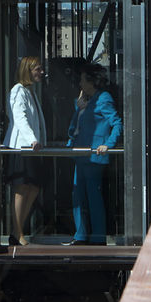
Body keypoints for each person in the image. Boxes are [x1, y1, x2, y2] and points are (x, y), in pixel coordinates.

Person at [64, 64, 122, 245]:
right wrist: (78, 109)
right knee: (78, 196)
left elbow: (117, 123)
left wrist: (108, 144)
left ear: (90, 81)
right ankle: (80, 235)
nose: (79, 83)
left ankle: (98, 237)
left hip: (94, 155)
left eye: (82, 79)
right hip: (81, 154)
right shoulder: (85, 100)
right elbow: (73, 130)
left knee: (93, 196)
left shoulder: (103, 99)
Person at [2, 56, 47, 246]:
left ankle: (17, 230)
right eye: (38, 69)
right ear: (28, 70)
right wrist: (33, 139)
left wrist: (40, 141)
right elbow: (19, 118)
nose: (41, 72)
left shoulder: (31, 92)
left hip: (32, 147)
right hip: (22, 146)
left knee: (34, 187)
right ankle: (18, 232)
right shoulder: (17, 91)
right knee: (21, 189)